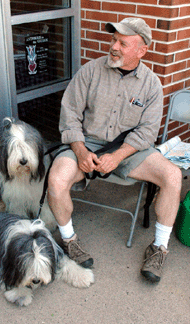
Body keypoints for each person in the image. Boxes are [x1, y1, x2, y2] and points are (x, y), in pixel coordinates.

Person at [47, 17, 182, 283]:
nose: (114, 47)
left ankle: (159, 247)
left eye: (123, 42)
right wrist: (81, 150)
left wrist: (118, 155)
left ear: (141, 50)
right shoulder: (90, 71)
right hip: (87, 143)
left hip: (129, 150)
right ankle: (68, 239)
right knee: (56, 178)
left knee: (173, 176)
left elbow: (146, 131)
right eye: (113, 40)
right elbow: (70, 114)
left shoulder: (152, 84)